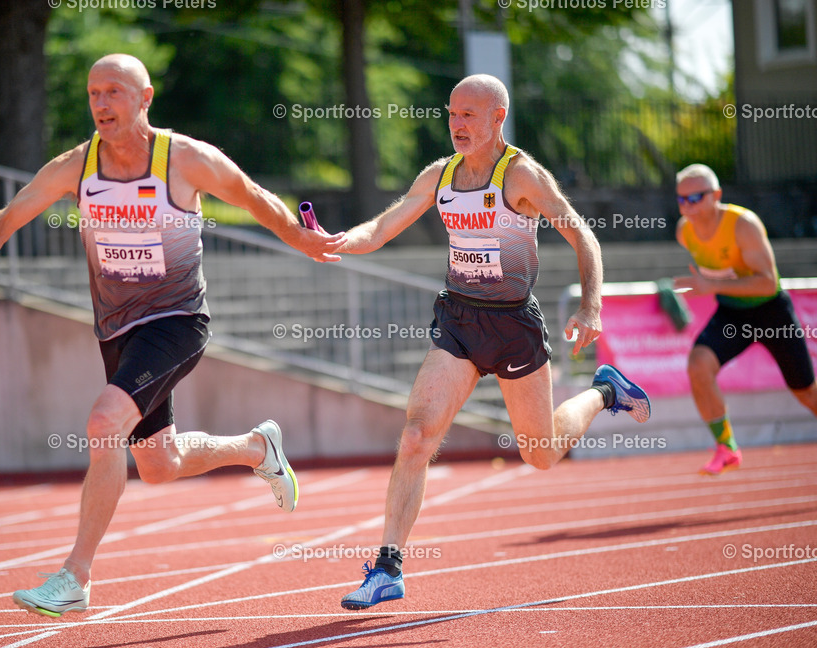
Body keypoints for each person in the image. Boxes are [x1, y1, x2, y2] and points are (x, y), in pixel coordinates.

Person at [0, 53, 345, 617]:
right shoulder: (76, 168)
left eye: (114, 91)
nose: (101, 103)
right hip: (116, 331)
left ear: (145, 97)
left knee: (104, 422)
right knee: (161, 465)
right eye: (92, 93)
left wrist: (300, 237)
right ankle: (258, 448)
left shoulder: (183, 160)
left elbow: (253, 196)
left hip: (177, 321)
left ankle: (75, 576)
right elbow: (5, 220)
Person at [331, 74, 652, 610]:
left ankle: (604, 391)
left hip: (512, 325)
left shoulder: (521, 176)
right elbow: (384, 227)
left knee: (541, 453)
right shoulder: (440, 175)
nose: (457, 125)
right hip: (458, 320)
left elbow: (582, 234)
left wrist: (591, 305)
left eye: (469, 115)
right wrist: (343, 242)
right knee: (415, 437)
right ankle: (388, 567)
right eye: (452, 114)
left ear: (498, 117)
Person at [673, 163, 817, 475]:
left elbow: (767, 281)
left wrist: (712, 286)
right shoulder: (684, 232)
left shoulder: (743, 224)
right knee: (699, 364)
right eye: (682, 200)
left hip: (771, 312)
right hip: (733, 314)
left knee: (806, 392)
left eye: (696, 198)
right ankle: (726, 447)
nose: (688, 207)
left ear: (717, 195)